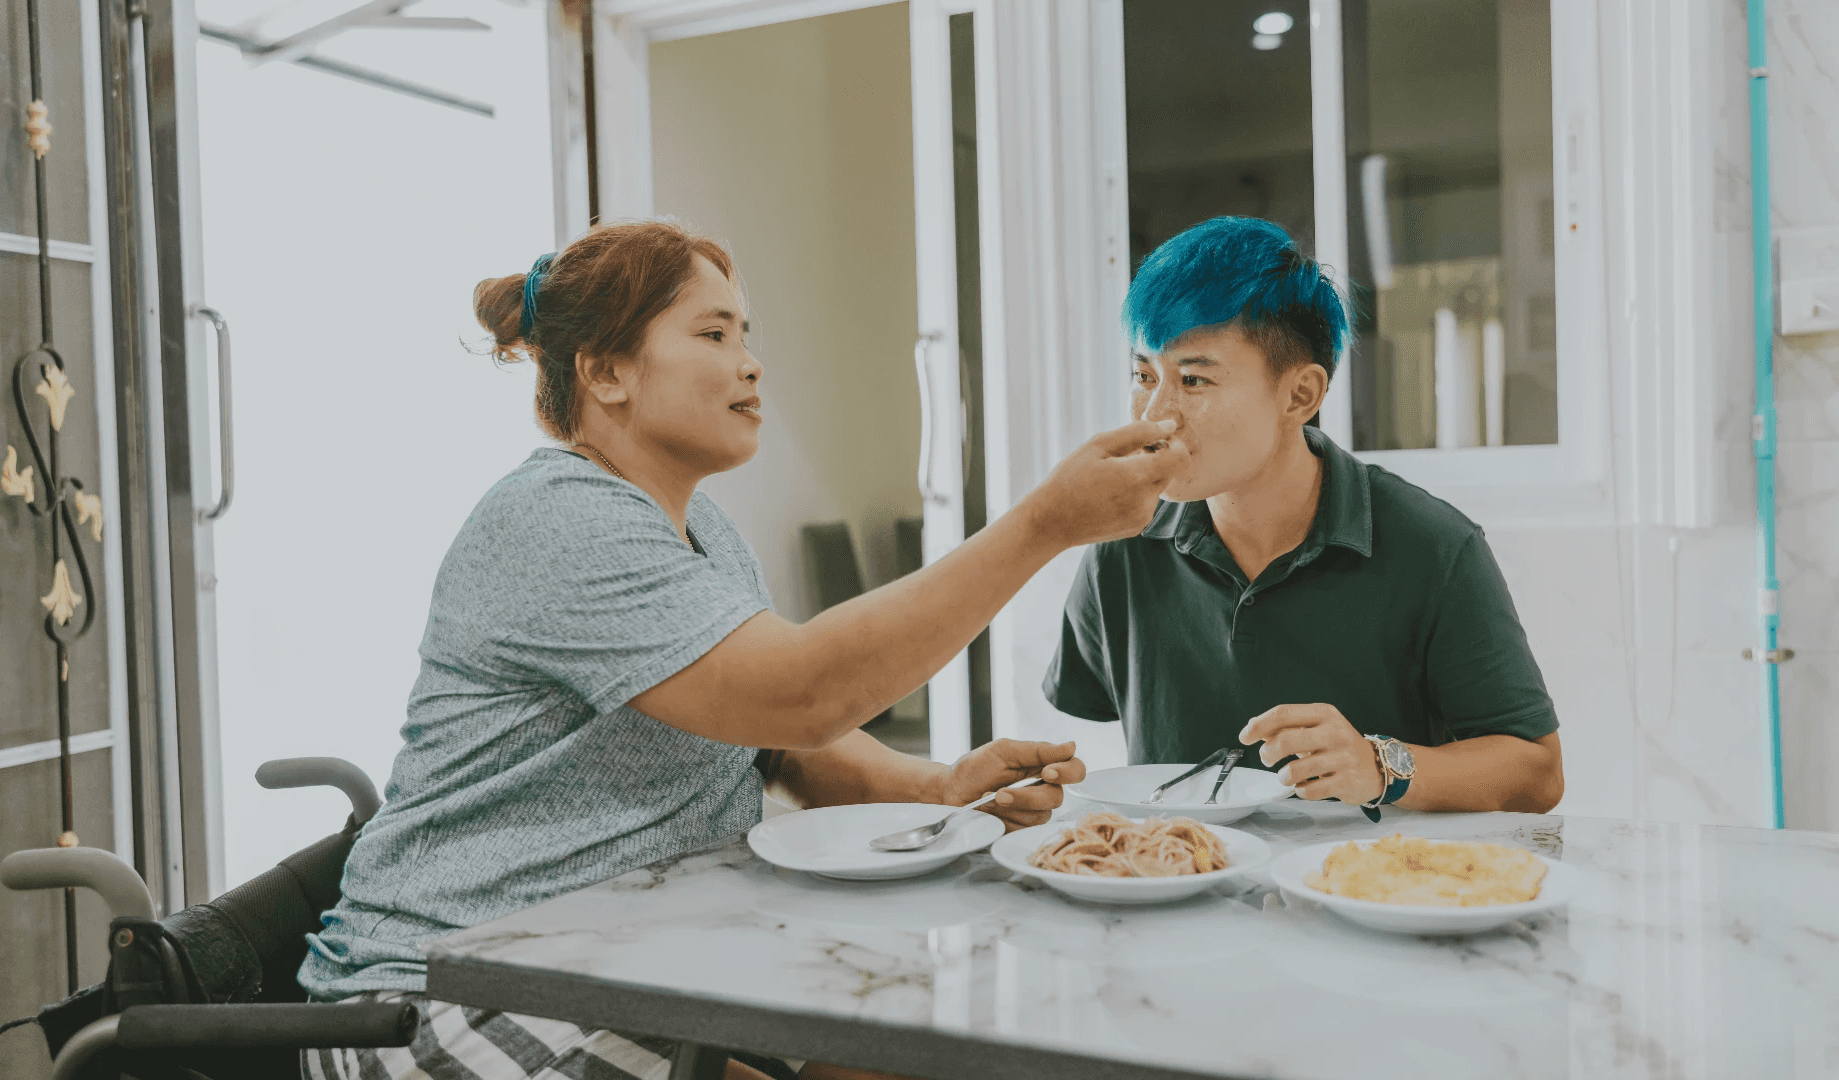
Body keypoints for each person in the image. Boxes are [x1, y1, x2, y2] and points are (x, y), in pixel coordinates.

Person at [297, 220, 1189, 1080]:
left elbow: (781, 742)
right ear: (605, 371)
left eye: (746, 334)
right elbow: (797, 694)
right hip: (432, 997)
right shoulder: (557, 517)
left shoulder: (698, 528)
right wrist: (1042, 525)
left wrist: (937, 788)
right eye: (713, 332)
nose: (751, 362)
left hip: (606, 974)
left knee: (925, 1047)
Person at [1043, 216, 1563, 818]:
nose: (1157, 414)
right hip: (1180, 888)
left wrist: (1380, 765)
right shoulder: (1122, 542)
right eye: (1143, 375)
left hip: (1373, 890)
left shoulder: (1434, 545)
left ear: (1300, 396)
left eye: (1193, 379)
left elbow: (1538, 773)